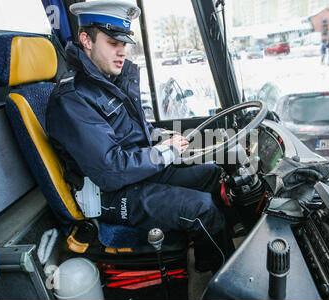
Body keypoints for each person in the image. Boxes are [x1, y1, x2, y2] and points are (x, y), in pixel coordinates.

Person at [46, 1, 234, 273]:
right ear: (86, 40)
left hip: (135, 172)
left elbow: (135, 132)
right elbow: (110, 170)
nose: (121, 52)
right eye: (112, 43)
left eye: (124, 44)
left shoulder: (108, 82)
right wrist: (165, 152)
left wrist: (164, 137)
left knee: (211, 174)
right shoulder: (72, 99)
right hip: (108, 193)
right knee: (202, 208)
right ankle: (220, 276)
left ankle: (207, 257)